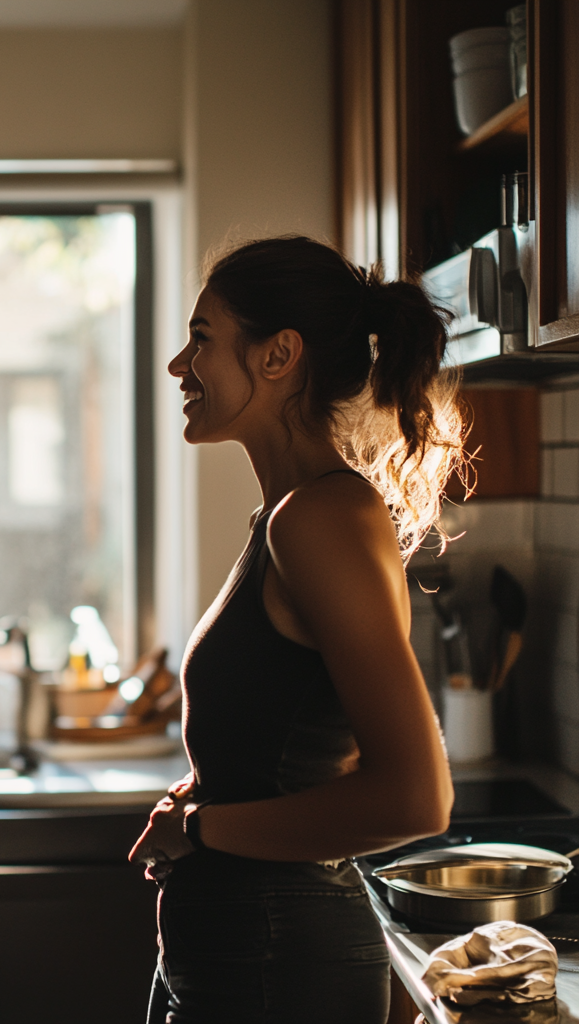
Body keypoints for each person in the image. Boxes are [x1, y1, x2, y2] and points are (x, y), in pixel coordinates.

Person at [131, 236, 465, 1023]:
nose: (181, 367)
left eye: (202, 339)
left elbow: (418, 797)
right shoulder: (287, 517)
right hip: (246, 956)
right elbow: (293, 753)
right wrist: (203, 798)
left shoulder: (319, 518)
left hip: (277, 961)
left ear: (279, 354)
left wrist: (204, 828)